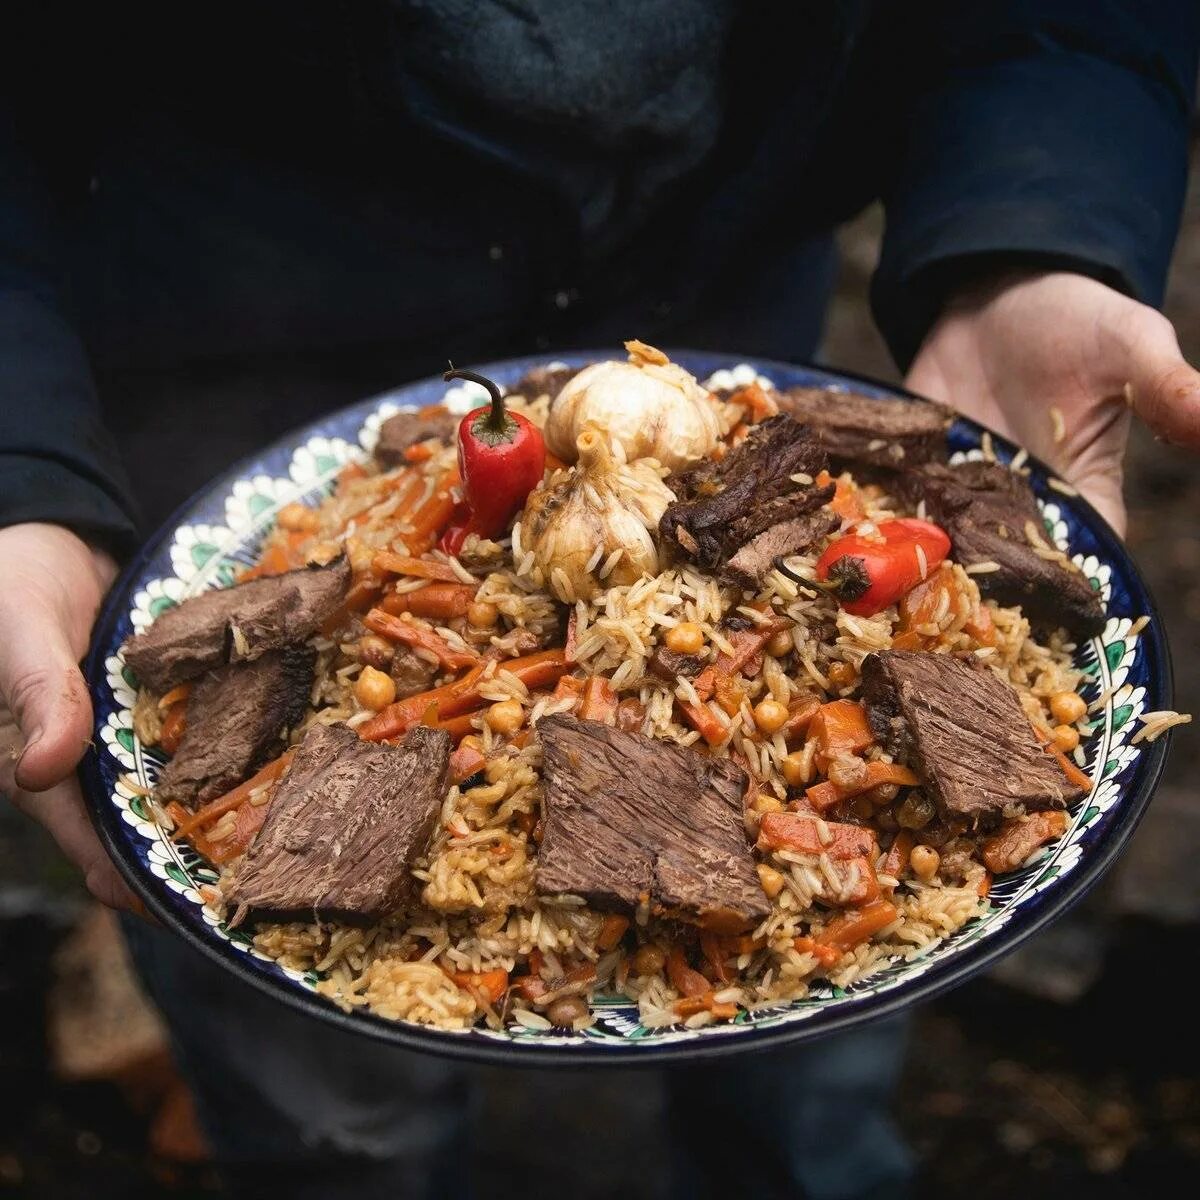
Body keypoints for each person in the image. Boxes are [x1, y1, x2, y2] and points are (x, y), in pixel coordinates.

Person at [3, 3, 1200, 1197]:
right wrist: (21, 467)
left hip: (720, 293)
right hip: (216, 376)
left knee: (812, 1079)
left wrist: (1035, 230)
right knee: (330, 1130)